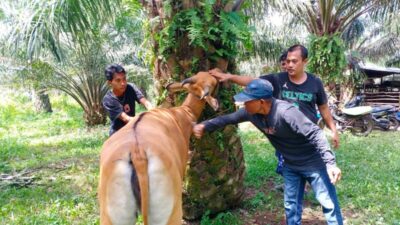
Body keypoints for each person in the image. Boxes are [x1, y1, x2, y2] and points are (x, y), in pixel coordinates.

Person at [193, 79, 343, 225]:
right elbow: (227, 119)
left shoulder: (286, 112)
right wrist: (204, 125)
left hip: (314, 163)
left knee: (328, 204)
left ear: (262, 102)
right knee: (291, 206)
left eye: (247, 100)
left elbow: (315, 133)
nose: (244, 104)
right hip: (291, 164)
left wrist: (330, 164)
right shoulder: (250, 113)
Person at [209, 44, 339, 149]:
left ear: (305, 61)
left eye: (294, 61)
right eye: (287, 61)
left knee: (312, 171)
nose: (289, 65)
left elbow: (323, 108)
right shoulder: (277, 79)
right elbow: (252, 81)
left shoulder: (315, 82)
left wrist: (333, 130)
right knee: (291, 172)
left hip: (308, 136)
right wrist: (229, 77)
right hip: (285, 139)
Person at [102, 64, 153, 136]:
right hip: (118, 134)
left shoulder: (130, 87)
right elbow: (126, 119)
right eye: (118, 80)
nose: (123, 83)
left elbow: (146, 102)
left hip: (133, 128)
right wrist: (145, 120)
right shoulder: (108, 99)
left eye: (124, 79)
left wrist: (152, 112)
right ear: (109, 83)